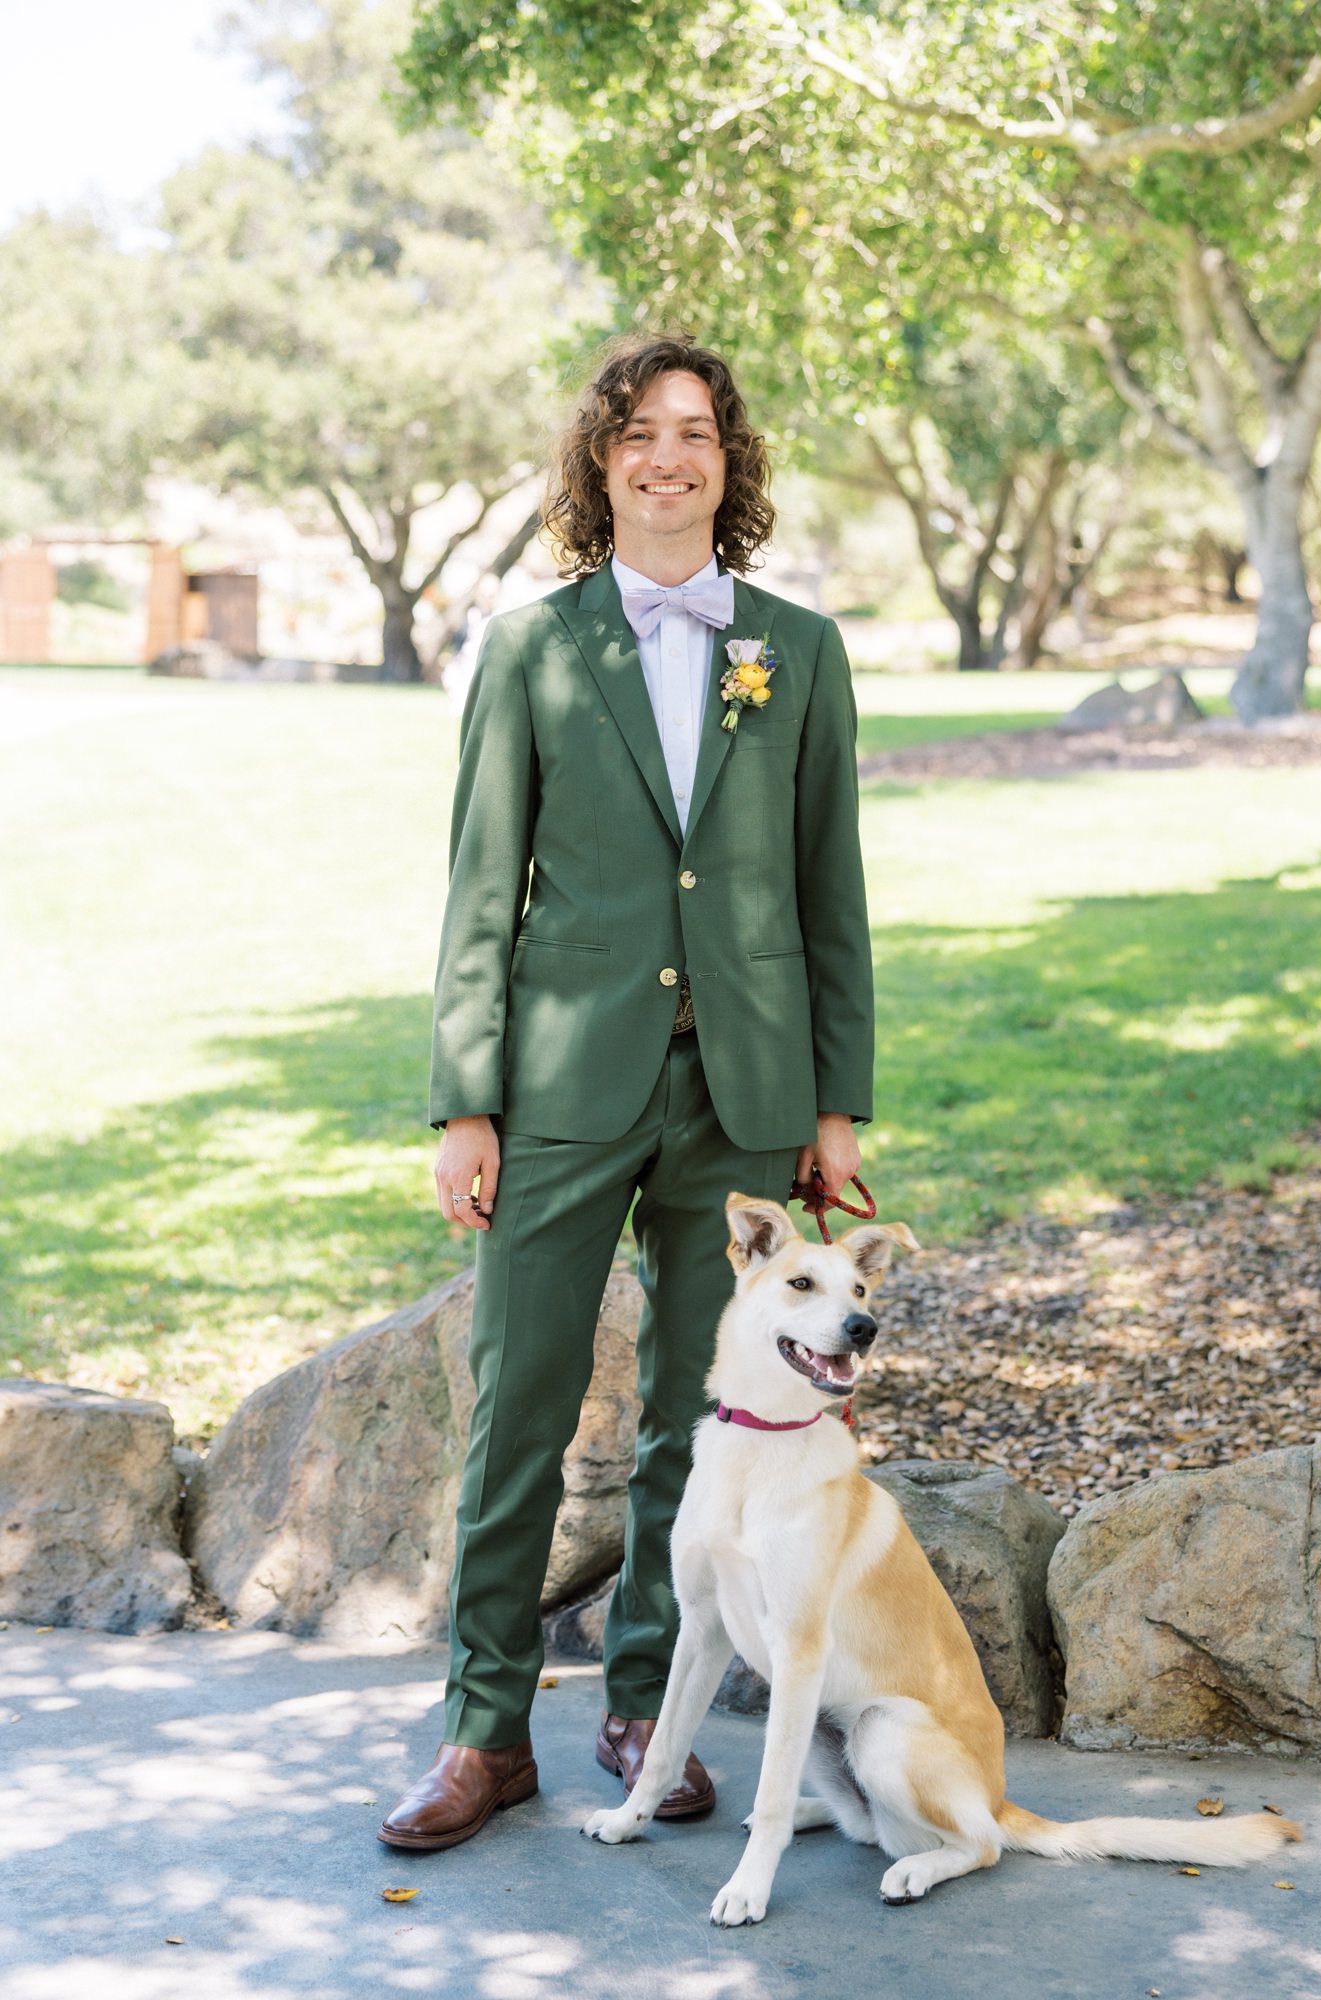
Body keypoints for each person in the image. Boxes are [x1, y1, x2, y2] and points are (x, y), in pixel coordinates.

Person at [378, 334, 875, 1852]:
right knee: (517, 1409)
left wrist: (832, 1101)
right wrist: (469, 1098)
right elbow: (480, 887)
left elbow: (825, 888)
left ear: (731, 467)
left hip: (738, 1100)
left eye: (698, 436)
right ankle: (482, 1731)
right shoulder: (530, 649)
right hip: (557, 1089)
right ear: (601, 465)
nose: (671, 458)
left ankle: (644, 1706)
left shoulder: (794, 650)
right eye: (641, 435)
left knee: (697, 1415)